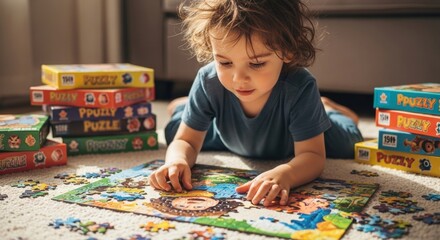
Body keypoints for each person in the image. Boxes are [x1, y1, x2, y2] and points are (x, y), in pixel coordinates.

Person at [148, 0, 363, 207]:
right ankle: (183, 107)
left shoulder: (300, 87)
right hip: (228, 135)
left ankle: (328, 109)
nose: (238, 79)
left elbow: (313, 156)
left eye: (257, 63)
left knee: (349, 144)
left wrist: (285, 173)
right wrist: (176, 161)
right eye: (224, 62)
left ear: (287, 50)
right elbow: (187, 140)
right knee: (173, 134)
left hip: (299, 136)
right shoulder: (209, 81)